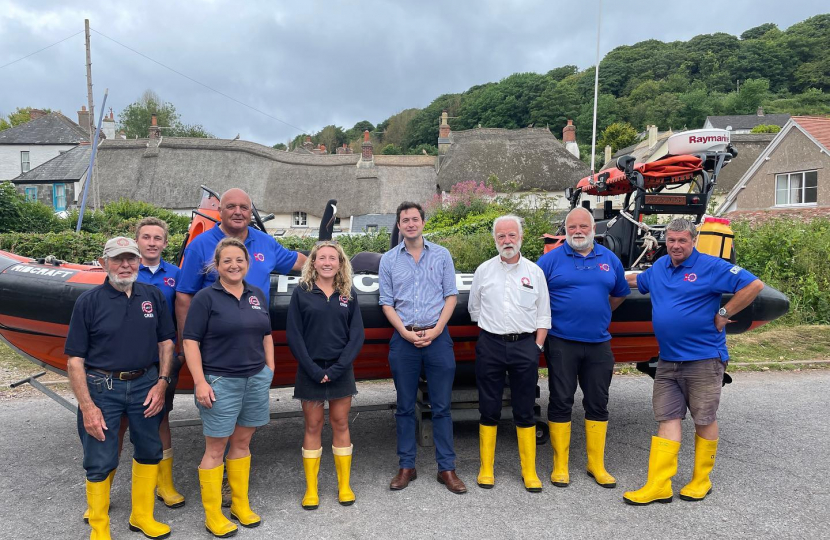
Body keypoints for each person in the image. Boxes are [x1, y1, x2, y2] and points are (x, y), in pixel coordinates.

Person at [176, 187, 305, 505]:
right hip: (217, 356)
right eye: (230, 206)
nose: (237, 211)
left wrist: (331, 259)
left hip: (253, 359)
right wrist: (186, 346)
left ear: (251, 211)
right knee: (217, 434)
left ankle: (239, 497)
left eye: (243, 207)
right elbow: (183, 295)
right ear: (219, 210)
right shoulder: (200, 246)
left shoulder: (264, 244)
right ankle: (216, 498)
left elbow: (297, 261)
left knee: (245, 434)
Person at [622, 218, 764, 506]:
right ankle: (659, 485)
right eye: (671, 240)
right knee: (667, 418)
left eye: (682, 241)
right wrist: (602, 276)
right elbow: (637, 279)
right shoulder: (660, 266)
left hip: (704, 360)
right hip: (667, 361)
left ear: (693, 240)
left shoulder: (710, 267)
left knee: (704, 419)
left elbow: (754, 284)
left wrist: (724, 311)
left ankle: (701, 479)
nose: (675, 246)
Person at [65, 236, 175, 540]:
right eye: (117, 259)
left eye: (131, 259)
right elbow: (75, 361)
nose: (125, 265)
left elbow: (166, 342)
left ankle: (141, 517)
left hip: (146, 385)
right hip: (102, 387)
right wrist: (87, 407)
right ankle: (100, 529)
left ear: (139, 262)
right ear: (103, 263)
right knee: (100, 458)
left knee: (150, 449)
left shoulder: (152, 295)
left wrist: (163, 383)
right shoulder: (88, 302)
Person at [183, 237, 273, 535]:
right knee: (215, 448)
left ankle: (239, 504)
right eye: (227, 261)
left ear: (247, 263)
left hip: (255, 379)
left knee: (243, 443)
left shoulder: (256, 294)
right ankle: (213, 516)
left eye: (240, 260)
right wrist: (199, 382)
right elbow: (190, 341)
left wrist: (268, 369)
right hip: (220, 381)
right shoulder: (205, 298)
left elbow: (266, 334)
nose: (234, 265)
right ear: (217, 266)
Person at [535, 207, 630, 490]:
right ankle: (560, 465)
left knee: (598, 401)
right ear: (565, 230)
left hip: (599, 343)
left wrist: (596, 312)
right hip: (562, 341)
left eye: (583, 227)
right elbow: (535, 299)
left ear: (593, 229)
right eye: (572, 227)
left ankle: (595, 464)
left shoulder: (609, 259)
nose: (578, 231)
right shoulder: (549, 261)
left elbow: (619, 294)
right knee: (561, 400)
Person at [379, 201, 467, 494]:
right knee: (404, 407)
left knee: (441, 407)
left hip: (438, 337)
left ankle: (447, 468)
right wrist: (404, 332)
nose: (410, 224)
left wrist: (438, 329)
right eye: (405, 220)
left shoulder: (441, 255)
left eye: (415, 219)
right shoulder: (389, 260)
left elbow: (451, 296)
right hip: (404, 338)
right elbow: (386, 303)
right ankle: (407, 466)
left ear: (423, 222)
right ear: (399, 225)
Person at [467, 215, 550, 492]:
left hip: (525, 346)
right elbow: (474, 309)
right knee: (488, 407)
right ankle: (486, 468)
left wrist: (536, 346)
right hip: (490, 344)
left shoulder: (535, 272)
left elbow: (543, 314)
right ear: (495, 240)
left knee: (524, 408)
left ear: (521, 237)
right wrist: (493, 331)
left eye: (511, 235)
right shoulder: (483, 271)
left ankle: (530, 472)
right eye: (501, 236)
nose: (507, 241)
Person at [286, 241, 364, 509]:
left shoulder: (349, 293)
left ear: (341, 263)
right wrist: (313, 369)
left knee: (341, 423)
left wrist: (339, 368)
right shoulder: (302, 293)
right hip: (310, 370)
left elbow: (357, 335)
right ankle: (311, 490)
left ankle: (344, 486)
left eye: (333, 258)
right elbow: (294, 336)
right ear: (314, 262)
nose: (327, 262)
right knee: (313, 426)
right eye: (322, 258)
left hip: (341, 369)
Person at [136, 217, 186, 508]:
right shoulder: (126, 270)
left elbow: (183, 312)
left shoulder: (177, 275)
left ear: (165, 243)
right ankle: (110, 483)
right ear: (138, 241)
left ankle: (164, 484)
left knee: (161, 418)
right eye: (146, 237)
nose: (152, 243)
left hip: (165, 360)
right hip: (131, 358)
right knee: (122, 422)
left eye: (158, 238)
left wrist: (180, 354)